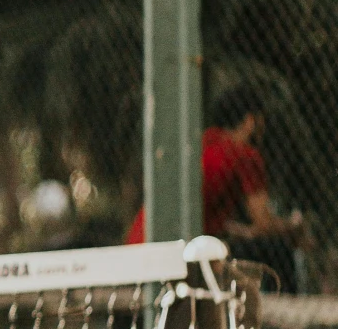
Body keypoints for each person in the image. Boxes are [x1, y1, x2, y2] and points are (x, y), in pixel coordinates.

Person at [126, 82, 304, 288]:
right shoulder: (244, 154)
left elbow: (206, 215)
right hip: (177, 254)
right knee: (276, 246)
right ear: (249, 120)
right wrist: (293, 227)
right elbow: (263, 223)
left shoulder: (202, 142)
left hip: (141, 244)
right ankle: (283, 311)